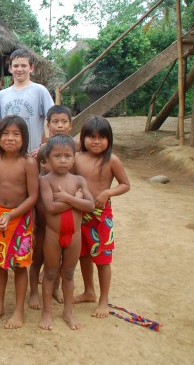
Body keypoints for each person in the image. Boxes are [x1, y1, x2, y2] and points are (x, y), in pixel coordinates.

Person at [0, 116, 39, 328]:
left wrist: (12, 215)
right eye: (6, 133)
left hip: (21, 219)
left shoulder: (28, 163)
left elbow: (33, 197)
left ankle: (18, 310)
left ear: (24, 138)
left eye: (16, 134)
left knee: (19, 265)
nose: (10, 138)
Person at [73, 116, 130, 318]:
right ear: (83, 138)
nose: (96, 141)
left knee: (103, 259)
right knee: (83, 254)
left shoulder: (112, 160)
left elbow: (125, 184)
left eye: (102, 137)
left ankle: (103, 300)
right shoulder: (76, 158)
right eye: (91, 137)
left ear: (109, 139)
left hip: (101, 216)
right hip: (80, 214)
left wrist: (108, 192)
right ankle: (89, 291)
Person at [38, 135, 95, 330]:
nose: (63, 160)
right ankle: (47, 312)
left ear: (74, 157)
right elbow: (50, 208)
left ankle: (68, 312)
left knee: (69, 273)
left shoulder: (79, 180)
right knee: (51, 272)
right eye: (57, 156)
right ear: (48, 158)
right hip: (53, 235)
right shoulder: (45, 181)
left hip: (74, 235)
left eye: (67, 156)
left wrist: (67, 198)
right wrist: (75, 199)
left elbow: (90, 205)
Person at [28, 104, 75, 309]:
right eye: (55, 122)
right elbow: (33, 180)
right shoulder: (41, 150)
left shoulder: (72, 149)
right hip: (41, 215)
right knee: (37, 257)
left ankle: (55, 288)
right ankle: (33, 292)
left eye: (64, 121)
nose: (60, 125)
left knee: (58, 261)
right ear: (48, 125)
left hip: (62, 220)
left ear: (70, 125)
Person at [0, 48, 54, 153]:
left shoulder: (40, 91)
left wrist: (46, 146)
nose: (19, 69)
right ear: (10, 68)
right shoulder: (1, 96)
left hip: (33, 153)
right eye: (16, 66)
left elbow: (53, 119)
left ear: (31, 68)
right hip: (8, 154)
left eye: (24, 66)